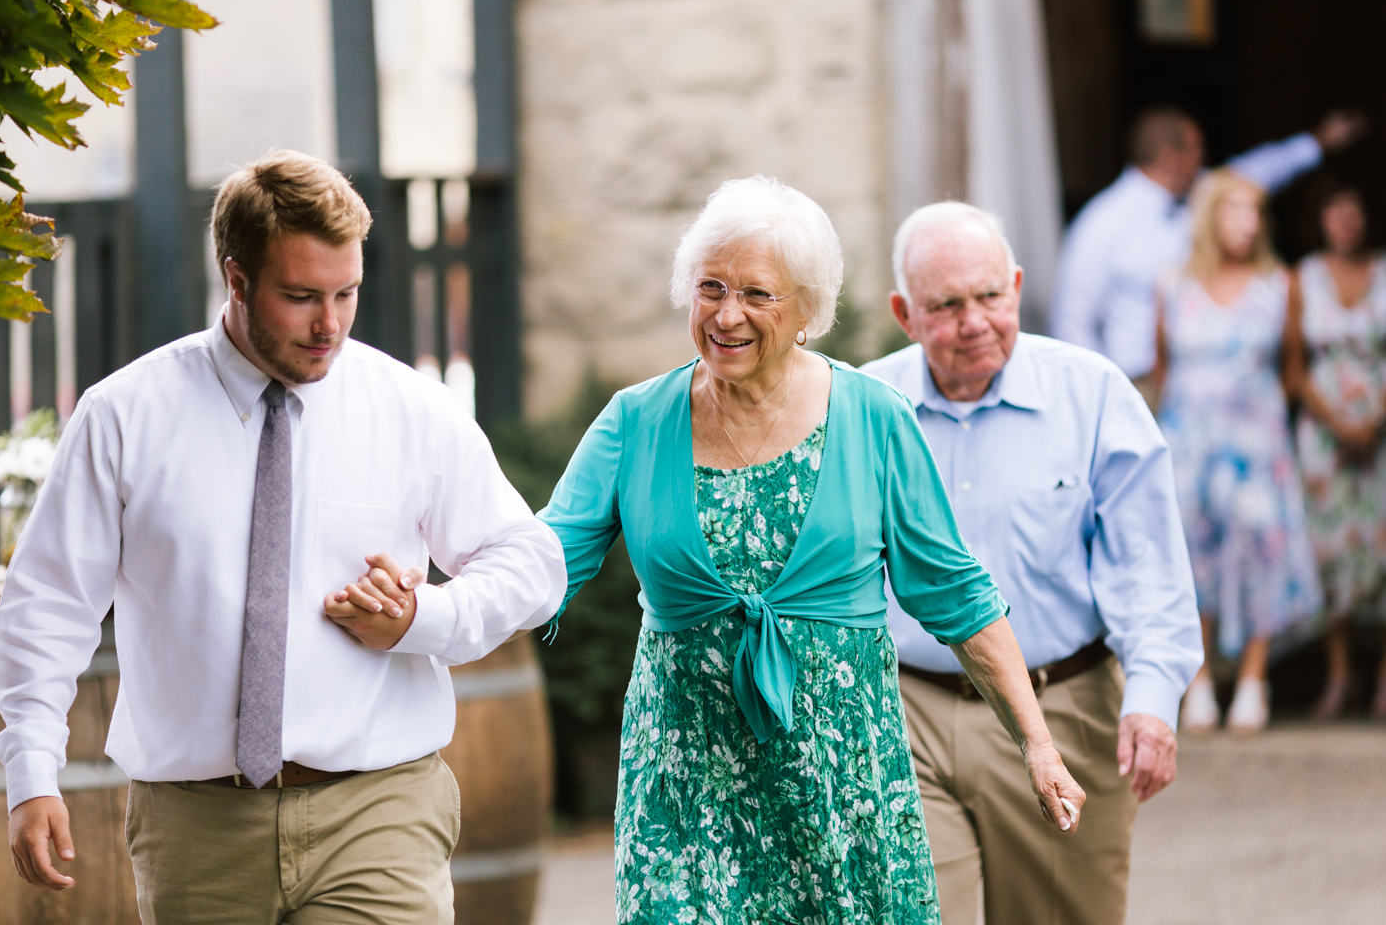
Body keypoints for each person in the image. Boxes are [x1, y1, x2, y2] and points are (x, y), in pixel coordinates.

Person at [0, 150, 566, 921]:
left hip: (377, 813)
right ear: (236, 279)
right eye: (300, 297)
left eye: (347, 293)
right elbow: (49, 602)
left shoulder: (411, 410)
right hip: (195, 828)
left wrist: (424, 619)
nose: (329, 324)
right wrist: (32, 769)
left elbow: (532, 563)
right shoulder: (125, 416)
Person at [537, 176, 1086, 924]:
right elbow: (540, 562)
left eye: (757, 294)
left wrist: (1037, 744)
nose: (727, 315)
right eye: (710, 288)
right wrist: (434, 603)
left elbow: (955, 593)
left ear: (805, 309)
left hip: (842, 787)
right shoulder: (635, 421)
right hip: (686, 786)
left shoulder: (872, 418)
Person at [861, 201, 1202, 925]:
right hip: (905, 710)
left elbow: (1146, 564)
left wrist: (1152, 695)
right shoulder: (863, 407)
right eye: (946, 305)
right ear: (904, 313)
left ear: (1016, 286)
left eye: (989, 296)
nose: (974, 321)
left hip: (1064, 704)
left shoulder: (1094, 393)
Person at [1155, 169, 1321, 733]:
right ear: (1210, 218)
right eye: (1234, 211)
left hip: (1256, 442)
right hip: (1190, 442)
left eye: (1254, 212)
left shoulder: (1281, 283)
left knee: (1260, 548)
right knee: (1191, 554)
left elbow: (1293, 369)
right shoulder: (1173, 284)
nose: (1246, 224)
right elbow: (1162, 368)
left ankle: (1254, 679)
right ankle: (1197, 682)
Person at [1052, 107, 1367, 398]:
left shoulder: (1203, 194)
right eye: (1198, 149)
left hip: (1209, 376)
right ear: (1171, 157)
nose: (1205, 158)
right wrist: (1104, 393)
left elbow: (1256, 172)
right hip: (1137, 384)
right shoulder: (1100, 223)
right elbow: (1072, 321)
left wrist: (1318, 141)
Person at [1287, 186, 1386, 719]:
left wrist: (1374, 419)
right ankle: (1340, 674)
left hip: (1380, 425)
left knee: (1383, 546)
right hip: (1324, 427)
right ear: (1320, 219)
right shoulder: (1303, 277)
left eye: (1354, 212)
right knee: (1329, 549)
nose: (1345, 223)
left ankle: (1384, 679)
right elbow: (1293, 365)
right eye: (1334, 212)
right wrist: (1336, 420)